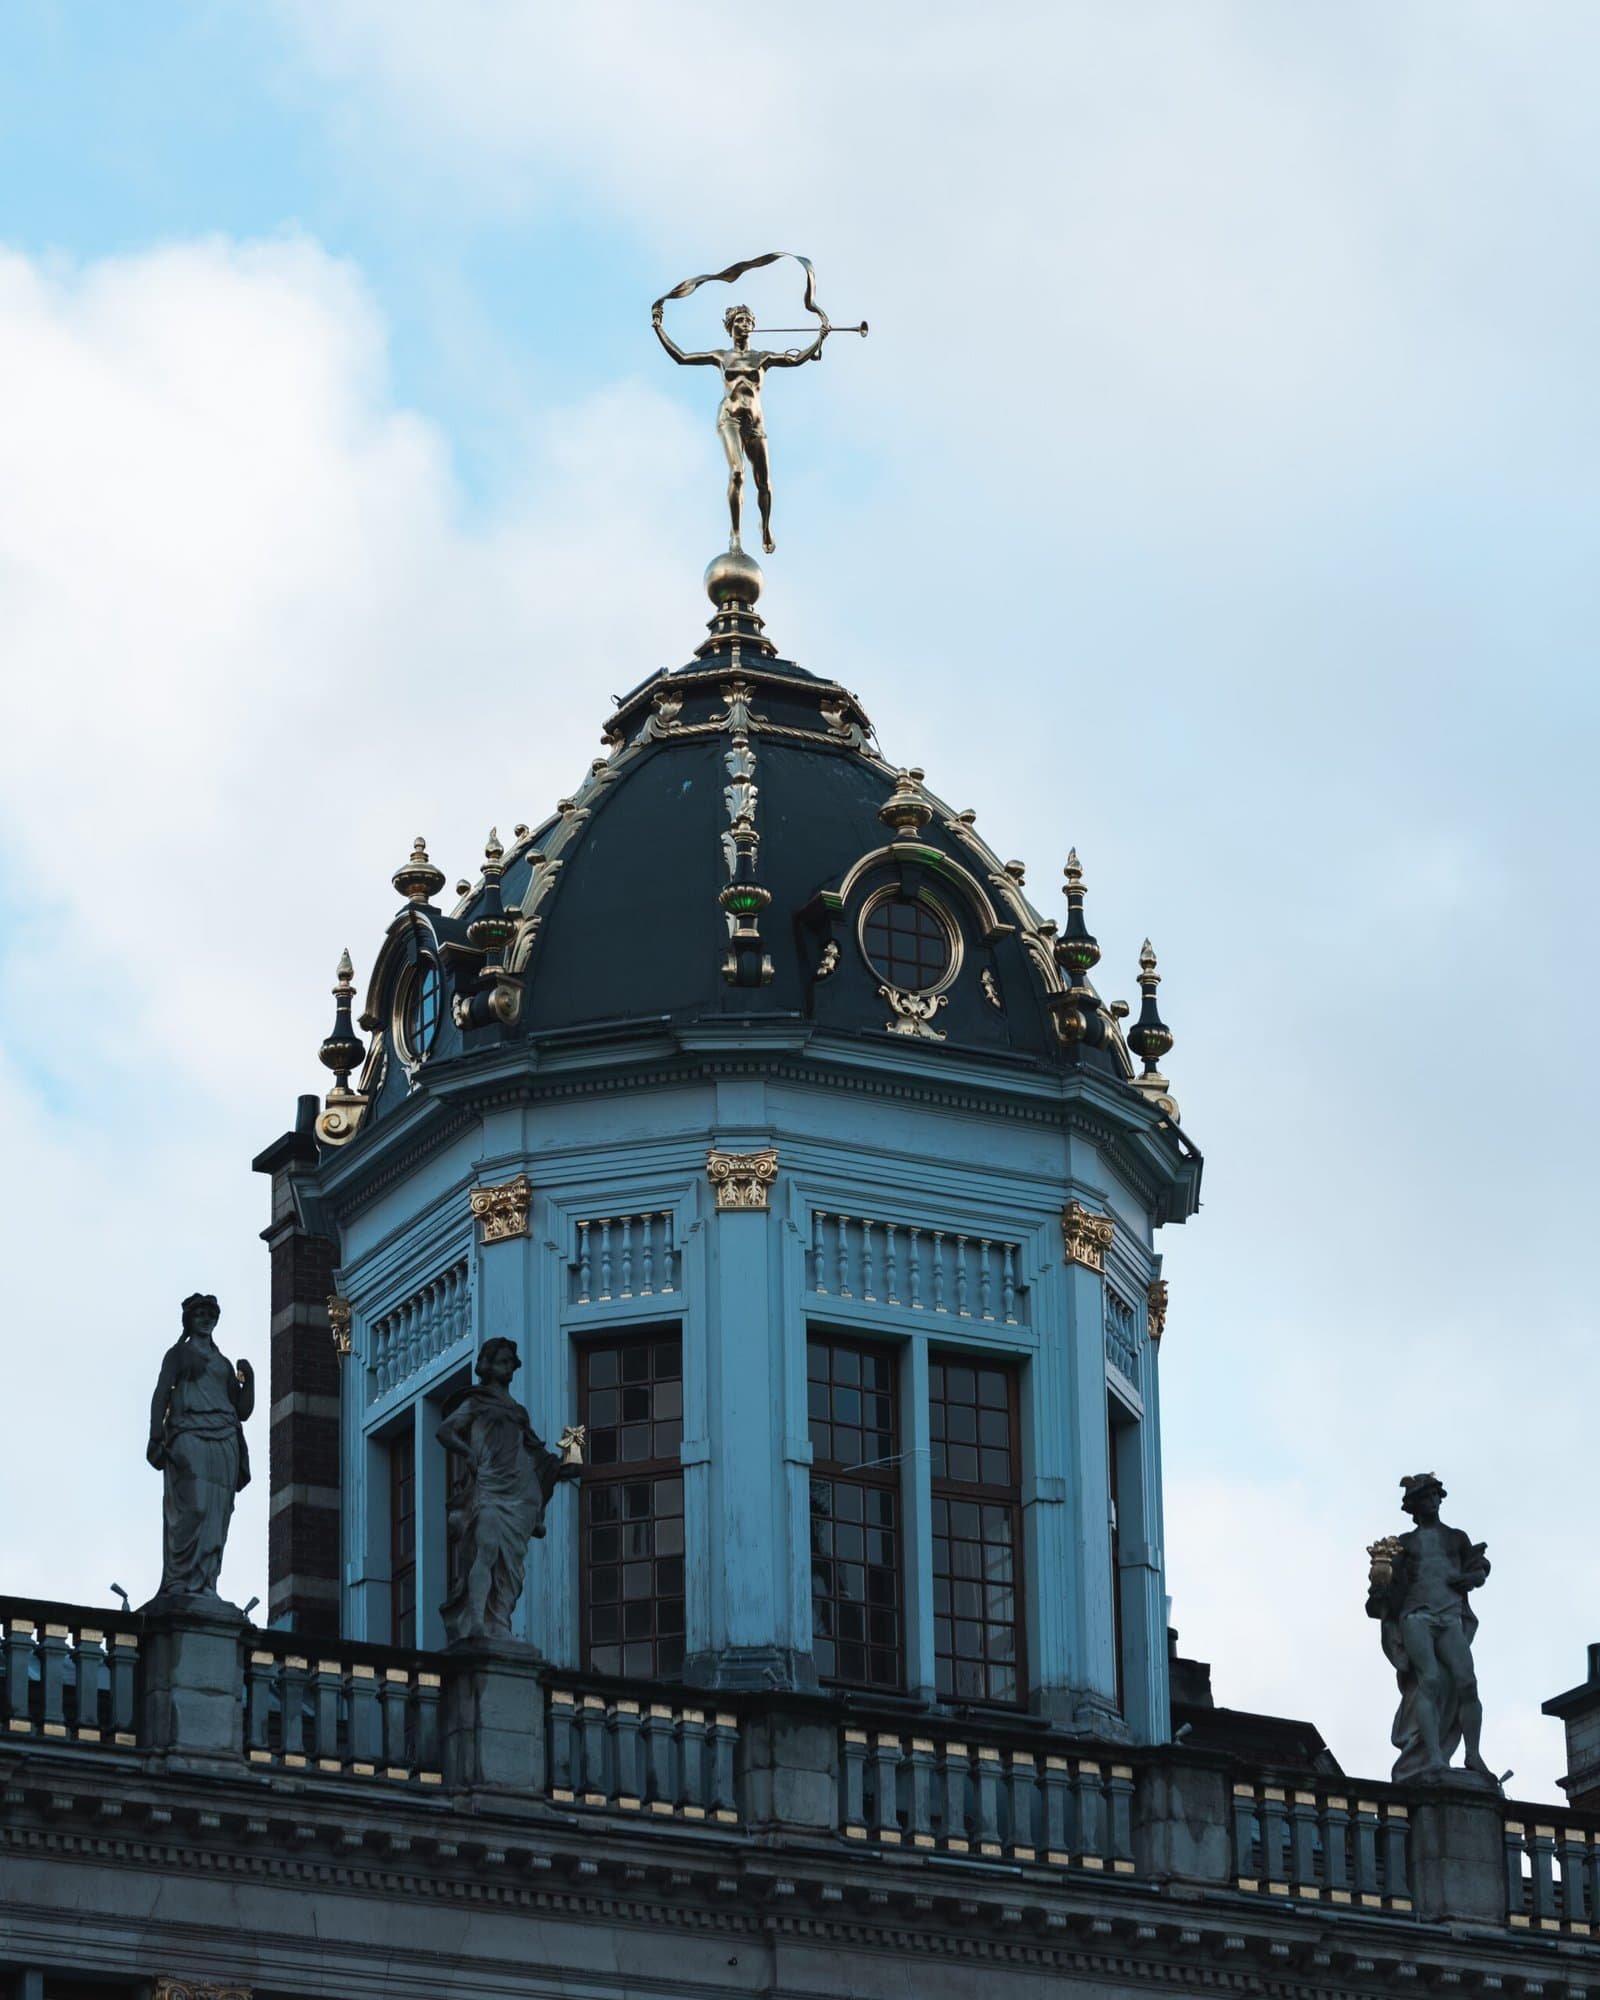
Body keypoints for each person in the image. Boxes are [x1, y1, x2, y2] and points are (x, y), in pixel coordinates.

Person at [651, 299, 825, 554]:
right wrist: (659, 327)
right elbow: (682, 357)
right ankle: (735, 536)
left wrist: (820, 338)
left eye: (748, 321)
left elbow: (796, 359)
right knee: (737, 473)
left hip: (755, 423)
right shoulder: (721, 356)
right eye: (740, 321)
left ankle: (765, 526)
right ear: (731, 327)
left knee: (763, 482)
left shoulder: (762, 357)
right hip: (729, 417)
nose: (744, 324)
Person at [437, 1337, 579, 1644]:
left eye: (510, 1362)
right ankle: (476, 1620)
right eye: (501, 1361)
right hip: (489, 1485)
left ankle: (498, 1619)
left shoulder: (518, 1411)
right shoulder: (476, 1402)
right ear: (488, 1366)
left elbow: (534, 1452)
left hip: (519, 1491)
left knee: (510, 1565)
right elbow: (446, 1430)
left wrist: (561, 1465)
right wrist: (468, 1452)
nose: (508, 1367)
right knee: (486, 1549)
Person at [1366, 1472, 1495, 1784]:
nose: (1433, 1501)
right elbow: (1385, 1591)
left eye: (1436, 1495)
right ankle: (1434, 1756)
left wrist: (1470, 1579)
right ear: (1414, 1506)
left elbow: (1478, 1570)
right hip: (1416, 1616)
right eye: (1426, 1497)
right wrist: (1381, 1584)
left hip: (1449, 1615)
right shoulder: (1404, 1544)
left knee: (1467, 1682)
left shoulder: (1456, 1538)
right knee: (1430, 1681)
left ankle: (1472, 1754)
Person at [146, 1293, 254, 1603]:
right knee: (195, 1506)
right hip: (188, 1432)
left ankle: (206, 1582)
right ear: (189, 1320)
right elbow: (161, 1393)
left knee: (217, 1514)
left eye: (211, 1314)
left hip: (225, 1438)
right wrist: (156, 1433)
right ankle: (180, 1580)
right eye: (200, 1314)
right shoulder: (178, 1354)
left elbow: (242, 1411)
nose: (206, 1319)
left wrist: (251, 1381)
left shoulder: (222, 1362)